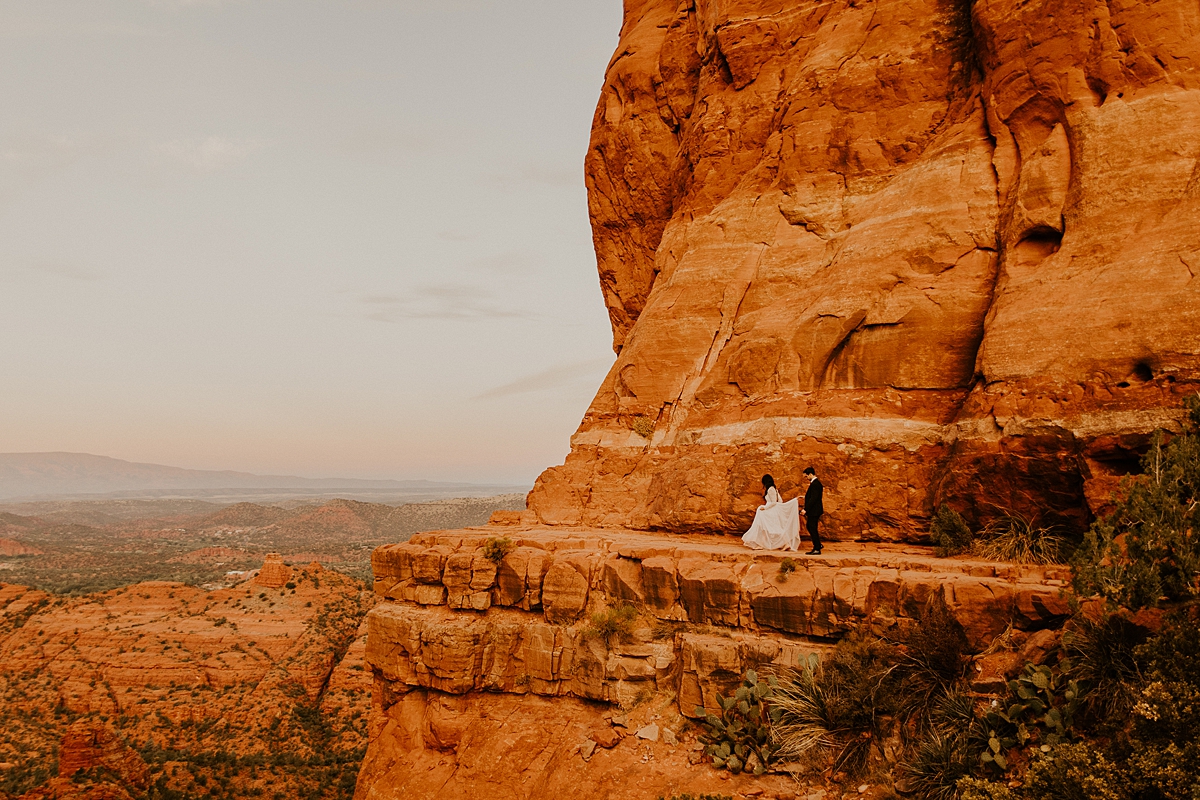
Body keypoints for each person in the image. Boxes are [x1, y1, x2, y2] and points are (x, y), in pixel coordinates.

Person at [741, 474, 801, 551]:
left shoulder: (770, 489)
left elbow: (773, 502)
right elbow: (780, 501)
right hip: (772, 510)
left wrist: (765, 507)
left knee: (767, 527)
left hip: (770, 510)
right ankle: (782, 543)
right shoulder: (774, 489)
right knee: (769, 527)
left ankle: (784, 543)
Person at [801, 466, 824, 555]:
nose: (806, 479)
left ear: (810, 474)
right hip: (815, 510)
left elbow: (813, 499)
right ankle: (818, 544)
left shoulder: (815, 484)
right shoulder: (816, 484)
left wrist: (805, 509)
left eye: (806, 476)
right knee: (810, 527)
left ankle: (817, 548)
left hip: (814, 511)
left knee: (812, 527)